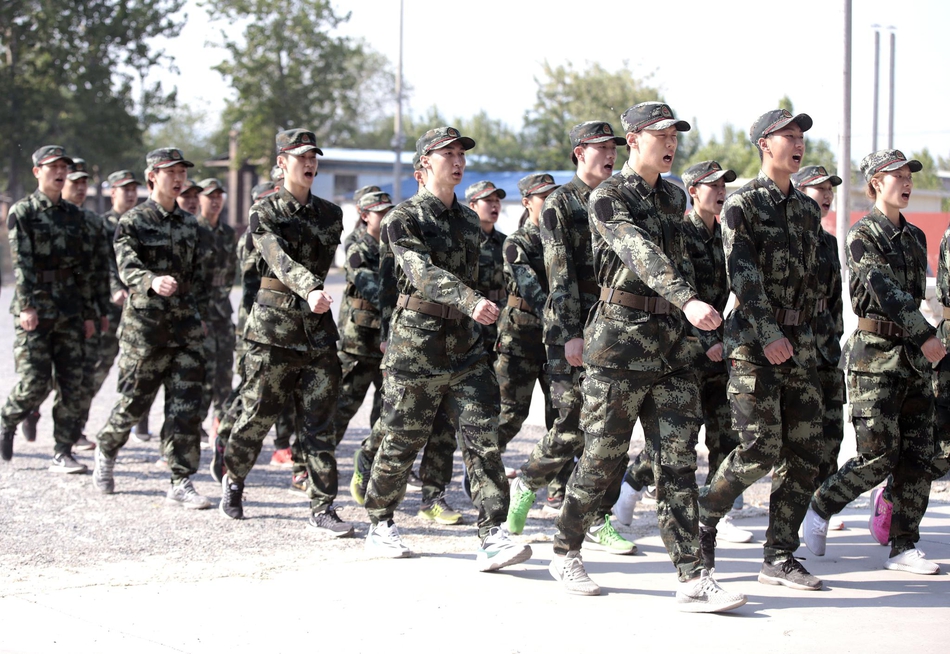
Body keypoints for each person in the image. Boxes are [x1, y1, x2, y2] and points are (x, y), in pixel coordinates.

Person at [547, 102, 746, 613]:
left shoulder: (676, 194)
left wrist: (709, 310)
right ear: (633, 140)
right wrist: (688, 298)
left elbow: (687, 258)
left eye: (675, 134)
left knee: (677, 463)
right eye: (661, 134)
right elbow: (641, 254)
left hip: (673, 347)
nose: (671, 143)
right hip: (620, 344)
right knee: (601, 458)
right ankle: (566, 549)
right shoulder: (608, 197)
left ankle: (692, 576)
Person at [362, 126, 530, 571]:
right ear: (423, 167)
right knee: (402, 438)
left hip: (466, 347)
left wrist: (486, 320)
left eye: (461, 154)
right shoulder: (404, 218)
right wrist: (472, 301)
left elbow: (483, 280)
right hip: (417, 344)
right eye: (447, 154)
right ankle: (379, 522)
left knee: (482, 438)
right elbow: (420, 272)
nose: (457, 160)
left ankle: (492, 533)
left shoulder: (469, 220)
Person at [698, 109, 824, 591]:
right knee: (758, 448)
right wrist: (769, 334)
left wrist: (808, 341)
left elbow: (812, 281)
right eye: (787, 137)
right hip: (754, 343)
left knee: (806, 448)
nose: (798, 144)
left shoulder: (809, 210)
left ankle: (779, 555)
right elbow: (743, 276)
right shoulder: (742, 203)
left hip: (801, 345)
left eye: (801, 138)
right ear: (763, 145)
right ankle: (702, 518)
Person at [803, 149, 944, 575]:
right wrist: (928, 334)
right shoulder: (861, 234)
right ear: (875, 183)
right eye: (895, 176)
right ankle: (821, 504)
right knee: (878, 455)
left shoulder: (918, 237)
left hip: (913, 360)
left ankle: (903, 545)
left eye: (908, 176)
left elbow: (917, 295)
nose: (905, 182)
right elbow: (884, 290)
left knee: (917, 455)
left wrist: (922, 339)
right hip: (873, 358)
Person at [506, 121, 635, 556]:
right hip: (575, 332)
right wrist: (568, 336)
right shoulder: (560, 203)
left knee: (614, 431)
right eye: (601, 147)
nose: (610, 154)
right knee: (572, 426)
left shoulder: (619, 198)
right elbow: (559, 274)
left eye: (614, 147)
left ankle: (599, 518)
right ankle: (528, 481)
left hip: (617, 332)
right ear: (580, 152)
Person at [218, 129, 351, 536]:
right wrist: (308, 288)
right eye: (300, 157)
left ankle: (323, 505)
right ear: (282, 164)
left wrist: (314, 295)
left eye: (314, 157)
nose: (309, 164)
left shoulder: (331, 215)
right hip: (273, 331)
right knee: (258, 414)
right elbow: (277, 258)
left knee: (319, 422)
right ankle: (235, 476)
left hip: (316, 332)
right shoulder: (264, 212)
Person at [91, 147, 211, 509]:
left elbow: (198, 276)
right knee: (133, 402)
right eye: (170, 172)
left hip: (184, 328)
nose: (179, 179)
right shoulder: (133, 221)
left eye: (182, 173)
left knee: (186, 406)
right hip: (146, 328)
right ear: (152, 178)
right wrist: (150, 280)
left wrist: (200, 314)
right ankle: (107, 448)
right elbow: (126, 265)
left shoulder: (191, 225)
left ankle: (180, 479)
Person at [349, 154, 461, 526]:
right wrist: (386, 333)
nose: (382, 214)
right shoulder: (397, 226)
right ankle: (368, 459)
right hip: (400, 338)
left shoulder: (463, 222)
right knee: (399, 420)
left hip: (454, 339)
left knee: (445, 424)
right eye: (375, 210)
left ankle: (434, 495)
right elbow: (383, 286)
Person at [0, 145, 96, 472]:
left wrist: (88, 313)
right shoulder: (23, 212)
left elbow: (83, 267)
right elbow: (22, 264)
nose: (60, 172)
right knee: (35, 382)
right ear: (37, 171)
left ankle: (62, 450)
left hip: (69, 308)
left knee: (73, 383)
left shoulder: (74, 215)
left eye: (63, 167)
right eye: (53, 166)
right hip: (37, 308)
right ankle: (7, 418)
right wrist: (27, 305)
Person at [791, 165, 846, 532]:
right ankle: (793, 510)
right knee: (798, 435)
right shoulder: (792, 236)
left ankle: (819, 505)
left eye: (829, 189)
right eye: (818, 189)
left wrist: (835, 337)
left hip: (825, 347)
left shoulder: (828, 240)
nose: (826, 195)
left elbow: (837, 297)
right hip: (796, 349)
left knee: (831, 432)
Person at [494, 174, 559, 459]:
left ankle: (559, 487)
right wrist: (558, 322)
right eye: (543, 198)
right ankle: (483, 470)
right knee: (510, 414)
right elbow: (529, 286)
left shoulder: (562, 240)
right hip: (520, 337)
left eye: (553, 197)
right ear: (526, 202)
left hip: (555, 341)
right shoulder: (515, 242)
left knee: (561, 415)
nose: (550, 204)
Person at [329, 191, 390, 474]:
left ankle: (374, 466)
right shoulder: (355, 245)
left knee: (387, 411)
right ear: (364, 215)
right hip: (359, 342)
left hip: (388, 343)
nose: (386, 216)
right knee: (341, 408)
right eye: (380, 212)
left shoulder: (395, 246)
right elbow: (367, 284)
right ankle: (308, 465)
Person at [87, 170, 138, 438]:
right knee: (100, 365)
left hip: (137, 307)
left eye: (133, 189)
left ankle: (138, 423)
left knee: (141, 365)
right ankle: (75, 426)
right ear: (112, 193)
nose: (130, 194)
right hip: (109, 307)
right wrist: (116, 289)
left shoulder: (139, 222)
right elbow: (103, 264)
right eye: (124, 189)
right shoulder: (102, 225)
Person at [195, 178, 237, 441]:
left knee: (225, 370)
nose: (215, 200)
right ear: (200, 199)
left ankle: (220, 423)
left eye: (219, 196)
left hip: (222, 311)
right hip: (202, 313)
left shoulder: (228, 232)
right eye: (210, 196)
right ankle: (194, 424)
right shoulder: (193, 229)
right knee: (203, 372)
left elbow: (231, 271)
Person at [466, 180, 507, 363]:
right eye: (488, 200)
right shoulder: (465, 243)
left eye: (497, 200)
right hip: (474, 322)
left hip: (500, 320)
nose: (494, 205)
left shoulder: (506, 242)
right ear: (473, 206)